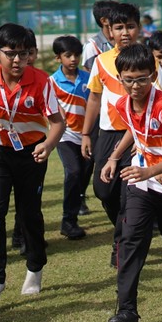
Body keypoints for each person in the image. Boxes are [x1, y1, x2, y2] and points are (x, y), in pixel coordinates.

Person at [0, 23, 65, 303]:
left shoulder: (42, 81)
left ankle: (35, 268)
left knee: (29, 214)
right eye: (10, 54)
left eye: (24, 54)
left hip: (31, 153)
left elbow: (57, 123)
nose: (17, 60)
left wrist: (48, 144)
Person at [101, 44, 162, 322]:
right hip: (141, 180)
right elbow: (133, 127)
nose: (135, 86)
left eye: (142, 79)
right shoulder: (122, 104)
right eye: (128, 80)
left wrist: (151, 170)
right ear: (120, 79)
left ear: (153, 76)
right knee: (131, 240)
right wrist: (114, 157)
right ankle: (127, 312)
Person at [81, 3, 142, 265]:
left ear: (138, 28)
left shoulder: (147, 60)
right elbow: (94, 98)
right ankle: (129, 230)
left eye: (130, 26)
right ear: (110, 31)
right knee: (103, 191)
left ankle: (121, 244)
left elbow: (160, 99)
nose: (125, 32)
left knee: (128, 194)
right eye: (119, 27)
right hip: (107, 134)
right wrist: (86, 134)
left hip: (138, 136)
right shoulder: (101, 62)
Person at [49, 35, 92, 240]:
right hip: (65, 136)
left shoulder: (88, 78)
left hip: (88, 135)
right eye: (68, 55)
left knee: (86, 171)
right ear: (59, 58)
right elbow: (47, 108)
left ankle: (79, 198)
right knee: (73, 171)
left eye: (76, 55)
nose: (73, 59)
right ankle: (69, 221)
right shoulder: (52, 82)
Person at [82, 0, 118, 71]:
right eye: (116, 16)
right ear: (104, 21)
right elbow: (88, 74)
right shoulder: (92, 46)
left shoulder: (125, 40)